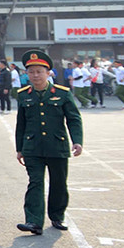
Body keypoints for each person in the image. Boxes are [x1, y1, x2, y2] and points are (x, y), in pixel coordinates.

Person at [14, 50, 84, 235]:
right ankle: (34, 221)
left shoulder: (62, 94)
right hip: (32, 147)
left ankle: (57, 215)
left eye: (39, 71)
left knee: (59, 183)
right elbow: (21, 123)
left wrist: (77, 141)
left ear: (48, 73)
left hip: (57, 146)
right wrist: (19, 148)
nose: (35, 75)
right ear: (27, 74)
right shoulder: (23, 95)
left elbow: (73, 119)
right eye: (31, 72)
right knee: (35, 182)